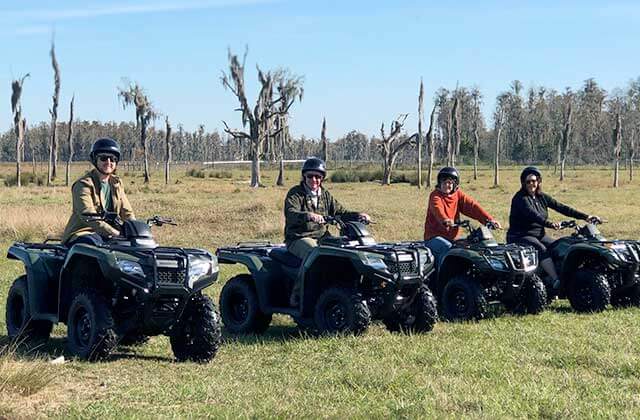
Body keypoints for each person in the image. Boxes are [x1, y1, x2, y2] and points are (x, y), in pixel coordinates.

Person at [284, 157, 370, 305]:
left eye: (318, 177)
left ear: (322, 178)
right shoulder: (295, 194)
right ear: (304, 176)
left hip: (323, 236)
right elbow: (291, 213)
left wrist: (358, 215)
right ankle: (297, 295)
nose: (314, 180)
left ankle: (342, 291)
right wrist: (309, 216)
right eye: (310, 176)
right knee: (314, 253)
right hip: (299, 238)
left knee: (344, 251)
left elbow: (340, 212)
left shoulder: (325, 195)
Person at [507, 166, 600, 290]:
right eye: (528, 182)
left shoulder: (542, 197)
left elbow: (561, 207)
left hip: (539, 235)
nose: (531, 184)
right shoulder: (520, 198)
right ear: (523, 183)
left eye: (533, 181)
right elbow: (533, 215)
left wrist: (585, 217)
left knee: (559, 246)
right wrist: (549, 224)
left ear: (539, 181)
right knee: (541, 249)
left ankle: (563, 276)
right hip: (520, 235)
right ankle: (556, 280)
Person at [61, 137, 135, 246]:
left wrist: (135, 230)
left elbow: (127, 213)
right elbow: (89, 217)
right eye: (104, 158)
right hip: (84, 233)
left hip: (110, 234)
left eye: (112, 159)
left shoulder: (117, 184)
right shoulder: (83, 185)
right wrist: (115, 233)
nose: (108, 162)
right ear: (95, 160)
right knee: (95, 246)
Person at [423, 167, 501, 264]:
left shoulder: (458, 195)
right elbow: (437, 208)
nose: (447, 185)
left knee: (471, 248)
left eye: (450, 183)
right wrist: (445, 220)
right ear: (439, 182)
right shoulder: (435, 196)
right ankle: (441, 277)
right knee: (449, 249)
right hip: (434, 237)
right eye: (444, 182)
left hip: (453, 238)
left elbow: (472, 207)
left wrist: (489, 220)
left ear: (455, 184)